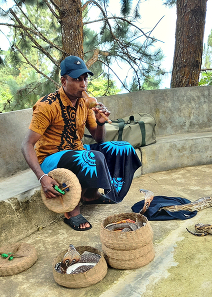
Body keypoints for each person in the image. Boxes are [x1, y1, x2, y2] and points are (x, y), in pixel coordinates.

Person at [21, 55, 141, 231]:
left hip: (78, 150)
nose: (83, 84)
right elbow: (26, 145)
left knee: (122, 148)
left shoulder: (85, 104)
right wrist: (42, 177)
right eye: (77, 79)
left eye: (85, 79)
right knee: (89, 157)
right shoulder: (46, 105)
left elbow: (98, 139)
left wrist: (100, 122)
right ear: (63, 81)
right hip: (51, 159)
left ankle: (91, 195)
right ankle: (72, 212)